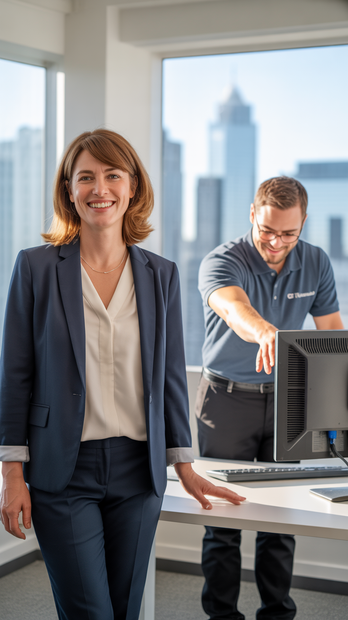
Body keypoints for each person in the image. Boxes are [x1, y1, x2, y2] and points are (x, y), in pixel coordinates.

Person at [0, 129, 245, 620]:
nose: (99, 188)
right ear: (69, 190)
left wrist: (184, 463)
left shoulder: (161, 274)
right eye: (85, 177)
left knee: (126, 609)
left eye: (113, 175)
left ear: (132, 187)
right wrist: (10, 474)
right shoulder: (36, 267)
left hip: (139, 470)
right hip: (62, 470)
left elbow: (171, 376)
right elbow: (15, 375)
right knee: (90, 611)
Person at [196, 176, 344, 620]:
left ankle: (277, 613)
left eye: (288, 233)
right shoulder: (223, 260)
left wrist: (336, 399)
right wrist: (266, 333)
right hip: (226, 400)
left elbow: (332, 333)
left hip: (289, 401)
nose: (276, 242)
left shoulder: (315, 262)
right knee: (222, 520)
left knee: (283, 518)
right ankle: (222, 615)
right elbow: (233, 307)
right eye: (267, 230)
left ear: (302, 224)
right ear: (252, 215)